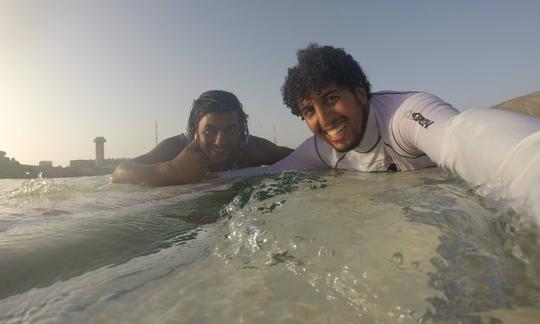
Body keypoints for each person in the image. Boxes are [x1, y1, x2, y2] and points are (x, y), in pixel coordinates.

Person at [218, 44, 540, 216]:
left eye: (331, 98)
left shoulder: (405, 115)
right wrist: (200, 183)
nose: (324, 119)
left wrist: (529, 164)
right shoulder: (320, 149)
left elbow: (460, 136)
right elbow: (269, 173)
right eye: (308, 110)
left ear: (360, 94)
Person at [111, 90, 293, 186]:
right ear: (194, 131)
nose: (221, 141)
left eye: (230, 130)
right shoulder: (175, 148)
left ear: (241, 130)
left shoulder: (251, 150)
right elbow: (120, 172)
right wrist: (171, 170)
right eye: (210, 130)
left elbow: (300, 156)